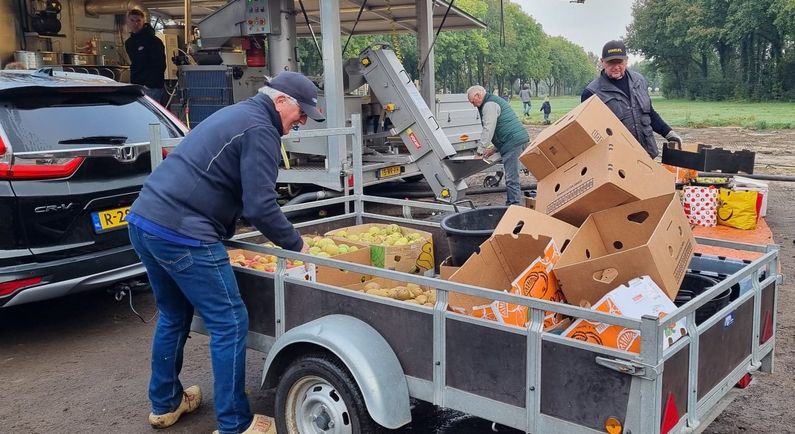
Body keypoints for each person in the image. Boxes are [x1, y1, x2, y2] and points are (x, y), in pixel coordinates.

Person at [126, 71, 324, 434]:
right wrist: (298, 246)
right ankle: (236, 424)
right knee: (230, 322)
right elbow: (261, 207)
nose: (303, 121)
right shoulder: (261, 130)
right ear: (280, 100)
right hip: (184, 233)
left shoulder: (239, 113)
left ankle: (165, 405)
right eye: (301, 112)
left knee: (173, 313)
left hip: (145, 221)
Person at [582, 40, 682, 159]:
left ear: (626, 61)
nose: (616, 67)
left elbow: (649, 113)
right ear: (602, 62)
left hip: (647, 154)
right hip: (617, 160)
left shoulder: (639, 81)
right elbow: (588, 132)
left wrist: (668, 133)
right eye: (610, 63)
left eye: (619, 62)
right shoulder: (591, 93)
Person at [467, 85, 530, 205]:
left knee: (511, 178)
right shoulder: (493, 101)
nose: (473, 105)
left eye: (472, 101)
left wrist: (480, 152)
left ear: (478, 95)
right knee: (512, 176)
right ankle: (513, 204)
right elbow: (502, 128)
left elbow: (488, 129)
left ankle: (513, 206)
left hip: (512, 143)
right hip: (515, 139)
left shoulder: (489, 105)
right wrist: (493, 149)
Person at [125, 9, 166, 103]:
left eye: (138, 21)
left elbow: (160, 64)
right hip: (136, 85)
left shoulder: (154, 41)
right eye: (132, 20)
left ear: (143, 21)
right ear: (128, 22)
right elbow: (135, 63)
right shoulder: (129, 43)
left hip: (151, 87)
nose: (135, 24)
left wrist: (149, 84)